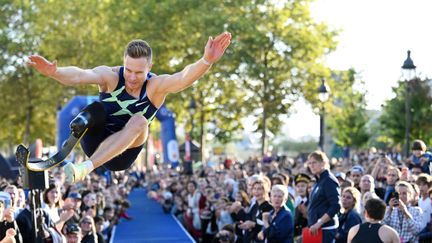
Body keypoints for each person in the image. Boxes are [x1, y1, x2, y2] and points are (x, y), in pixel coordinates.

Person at [27, 31, 232, 183]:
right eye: (129, 70)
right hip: (96, 143)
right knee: (96, 108)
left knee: (141, 121)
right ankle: (79, 127)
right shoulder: (110, 76)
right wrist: (54, 72)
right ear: (123, 63)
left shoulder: (155, 87)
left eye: (139, 73)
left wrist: (206, 61)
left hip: (121, 156)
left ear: (149, 68)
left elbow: (183, 78)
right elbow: (80, 75)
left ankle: (85, 168)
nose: (132, 78)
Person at [306, 151, 341, 243]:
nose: (311, 166)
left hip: (326, 229)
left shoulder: (328, 180)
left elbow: (336, 206)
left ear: (323, 163)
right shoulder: (319, 180)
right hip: (316, 229)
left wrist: (319, 223)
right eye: (309, 163)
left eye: (314, 162)